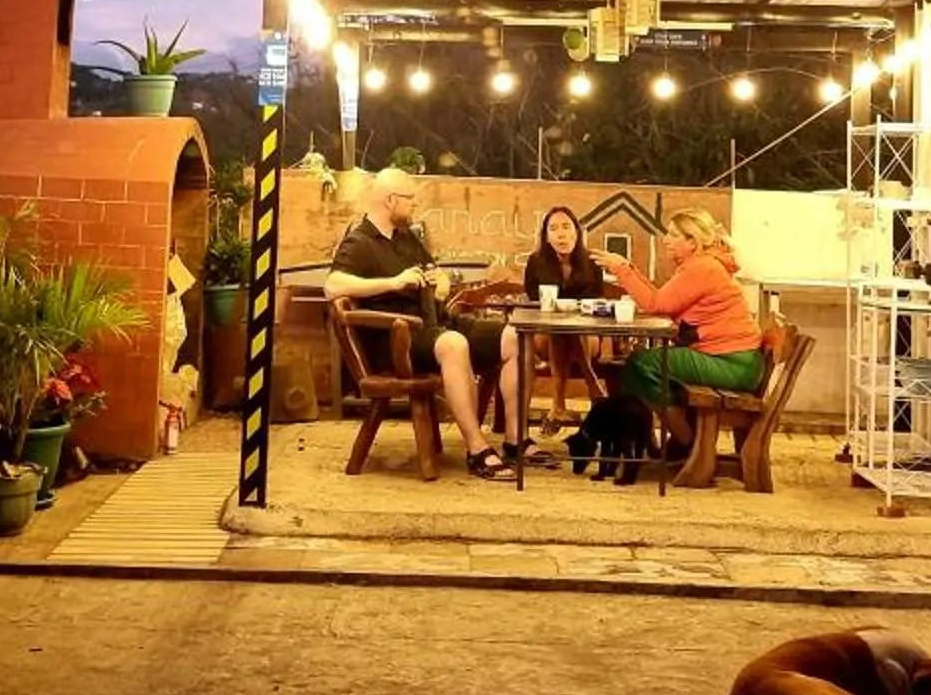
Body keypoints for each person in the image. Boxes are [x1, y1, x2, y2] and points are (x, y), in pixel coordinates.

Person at [323, 165, 517, 480]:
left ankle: (515, 439)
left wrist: (439, 280)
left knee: (512, 336)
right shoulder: (359, 242)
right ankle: (477, 448)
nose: (415, 205)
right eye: (410, 199)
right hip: (399, 340)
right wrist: (393, 282)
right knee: (454, 344)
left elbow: (434, 271)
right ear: (389, 200)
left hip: (436, 323)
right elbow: (333, 286)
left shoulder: (406, 237)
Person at [596, 207, 766, 452]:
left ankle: (687, 442)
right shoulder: (703, 265)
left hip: (731, 363)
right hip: (736, 360)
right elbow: (660, 298)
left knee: (640, 365)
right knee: (644, 366)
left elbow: (655, 304)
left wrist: (621, 269)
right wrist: (627, 268)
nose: (666, 240)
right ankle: (676, 438)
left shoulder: (703, 268)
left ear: (692, 242)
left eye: (673, 235)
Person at [499, 205, 609, 450]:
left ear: (577, 232)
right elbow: (531, 301)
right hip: (544, 339)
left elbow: (598, 303)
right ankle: (591, 384)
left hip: (586, 337)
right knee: (558, 328)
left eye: (566, 227)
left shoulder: (592, 263)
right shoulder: (536, 262)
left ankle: (558, 404)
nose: (561, 234)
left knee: (567, 330)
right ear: (546, 237)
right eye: (554, 229)